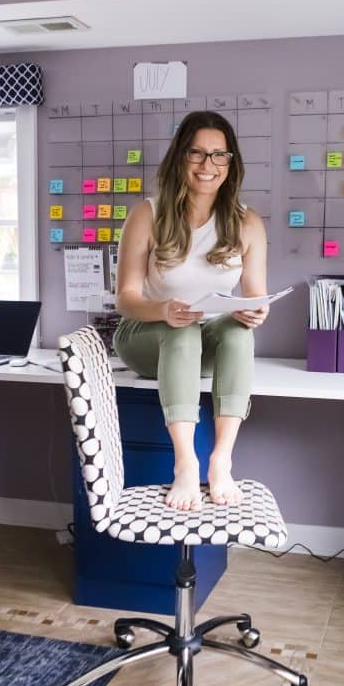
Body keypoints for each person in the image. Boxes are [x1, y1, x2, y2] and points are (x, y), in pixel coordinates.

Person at [113, 110, 268, 512]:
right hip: (146, 335)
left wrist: (255, 312)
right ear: (180, 157)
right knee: (181, 330)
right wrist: (163, 309)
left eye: (219, 155)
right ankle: (185, 462)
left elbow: (255, 295)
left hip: (206, 340)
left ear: (231, 163)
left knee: (238, 332)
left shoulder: (247, 222)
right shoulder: (147, 214)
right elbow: (125, 298)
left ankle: (221, 460)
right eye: (196, 153)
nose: (207, 165)